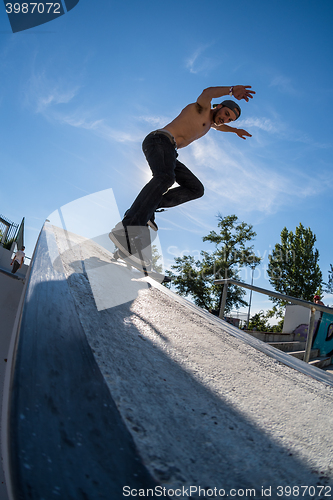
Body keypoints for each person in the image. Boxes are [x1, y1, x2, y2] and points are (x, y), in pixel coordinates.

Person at [109, 85, 255, 264]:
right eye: (225, 114)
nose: (225, 119)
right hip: (159, 140)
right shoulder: (201, 109)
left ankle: (146, 210)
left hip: (169, 152)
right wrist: (232, 90)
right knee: (165, 178)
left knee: (196, 189)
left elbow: (220, 128)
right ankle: (128, 228)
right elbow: (207, 93)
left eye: (230, 120)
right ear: (218, 106)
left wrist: (235, 130)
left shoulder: (211, 124)